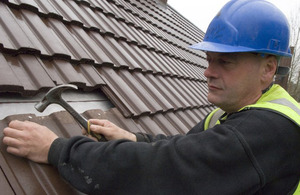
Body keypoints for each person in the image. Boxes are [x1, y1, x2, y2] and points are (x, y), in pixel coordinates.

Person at [2, 0, 300, 194]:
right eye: (209, 60)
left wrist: (56, 150)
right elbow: (185, 148)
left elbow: (164, 169)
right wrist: (134, 139)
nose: (208, 72)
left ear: (267, 69)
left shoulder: (271, 129)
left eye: (225, 62)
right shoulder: (228, 113)